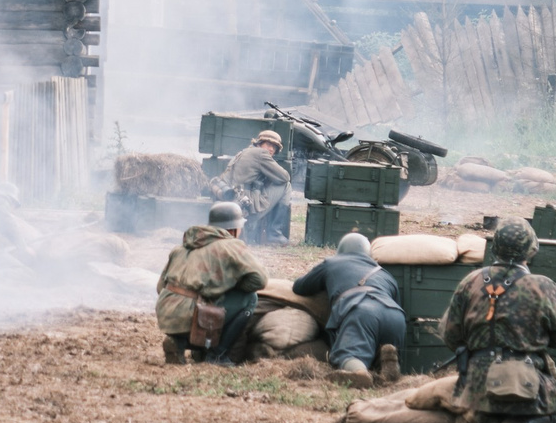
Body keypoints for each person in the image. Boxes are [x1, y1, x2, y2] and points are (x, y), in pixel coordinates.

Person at [439, 218, 556, 423]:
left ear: (495, 247)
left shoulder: (470, 282)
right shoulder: (541, 286)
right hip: (524, 383)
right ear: (531, 249)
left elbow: (451, 335)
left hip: (477, 386)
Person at [153, 200, 267, 366]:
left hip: (166, 315)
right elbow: (260, 279)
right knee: (250, 298)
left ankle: (179, 342)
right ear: (234, 229)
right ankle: (216, 354)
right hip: (193, 317)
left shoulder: (181, 247)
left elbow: (159, 287)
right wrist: (228, 287)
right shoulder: (231, 246)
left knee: (197, 302)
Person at [292, 231, 405, 385]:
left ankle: (358, 373)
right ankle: (387, 361)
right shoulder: (386, 274)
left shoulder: (332, 263)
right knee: (376, 346)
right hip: (395, 316)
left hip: (361, 310)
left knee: (348, 354)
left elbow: (300, 287)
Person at [219, 129, 292, 244]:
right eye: (268, 144)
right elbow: (285, 177)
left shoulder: (243, 152)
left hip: (233, 203)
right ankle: (274, 234)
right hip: (247, 207)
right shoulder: (260, 154)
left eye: (275, 147)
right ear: (259, 143)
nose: (271, 149)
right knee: (286, 185)